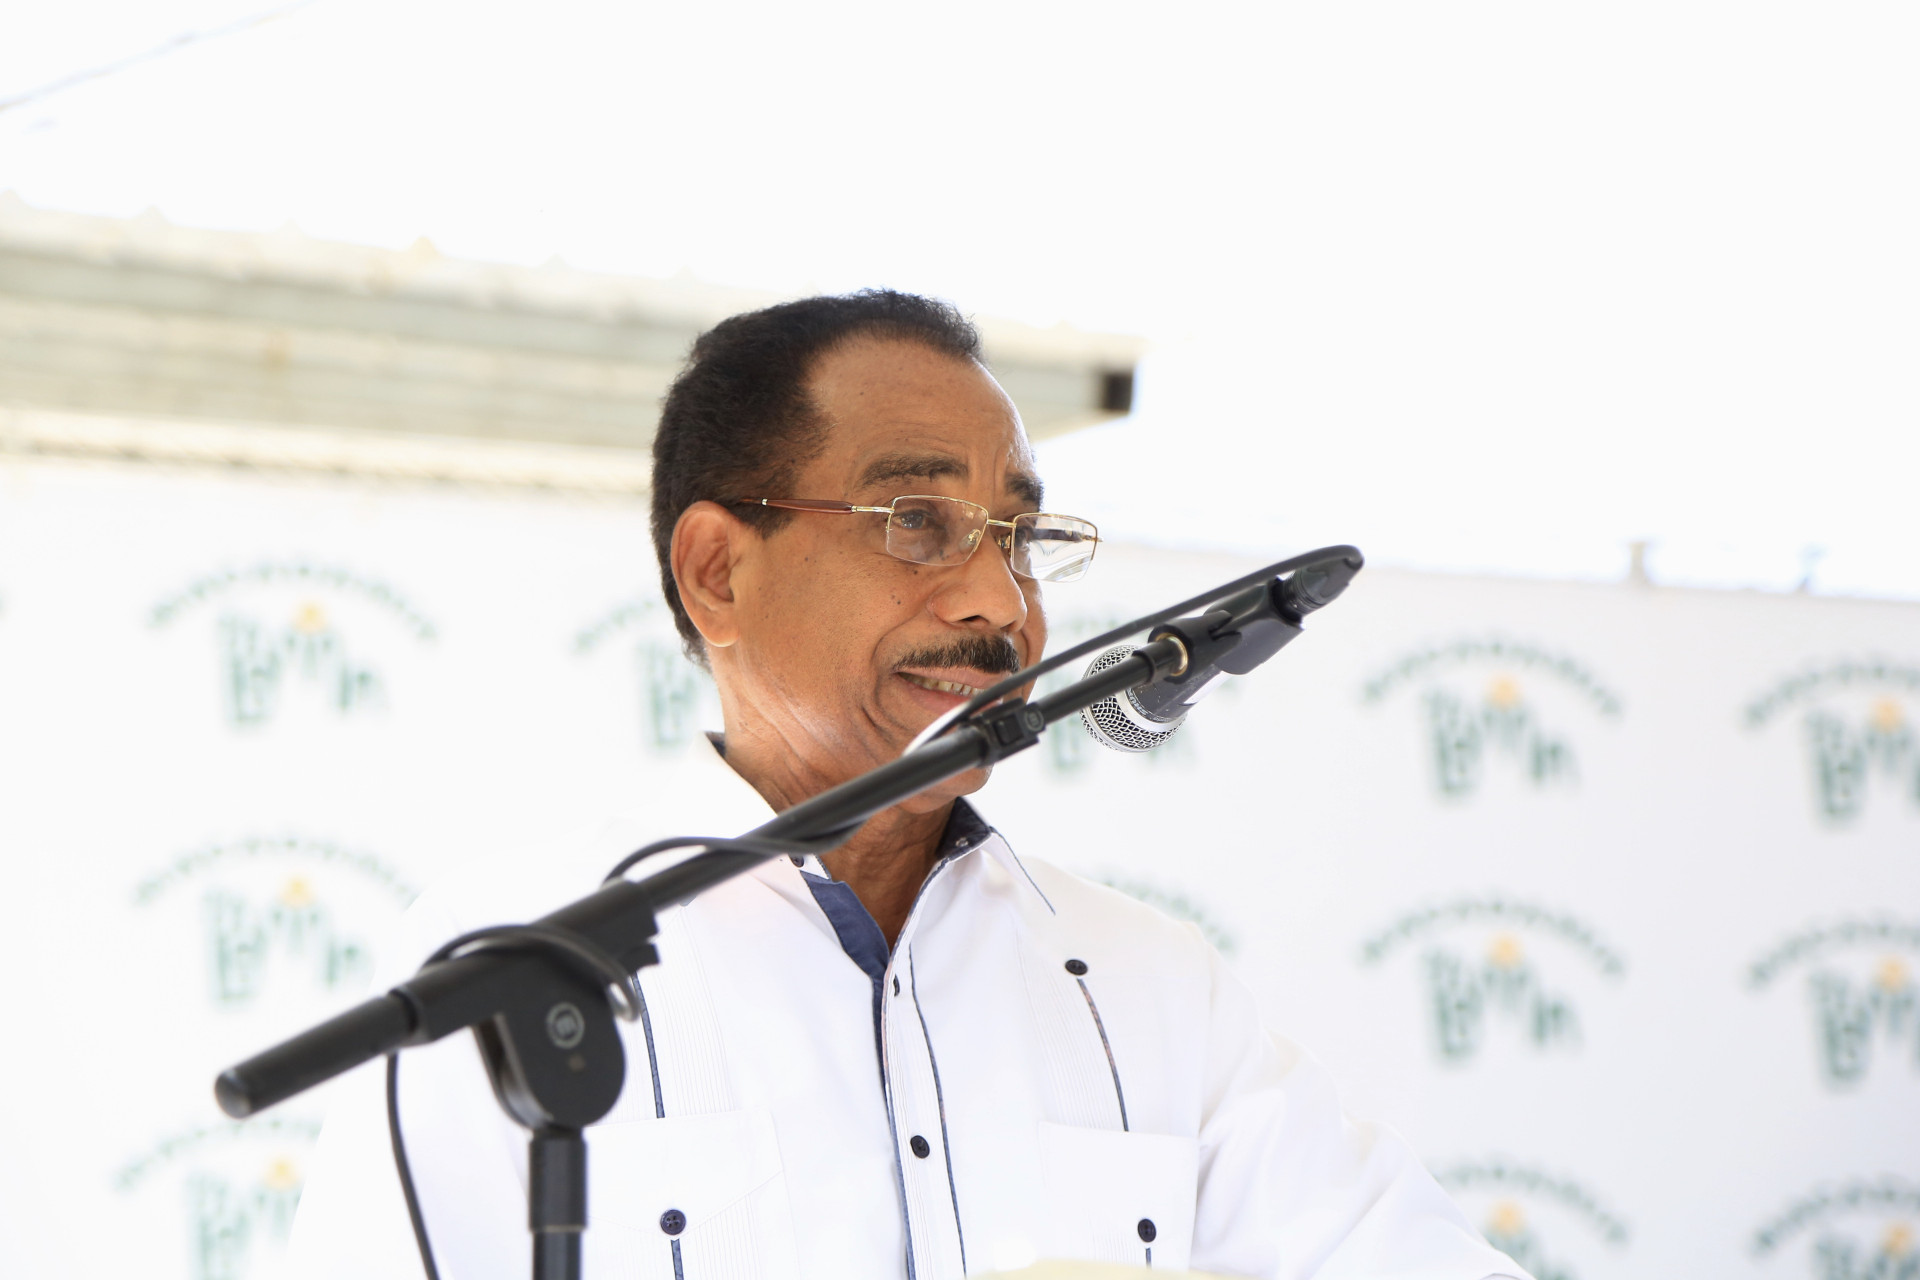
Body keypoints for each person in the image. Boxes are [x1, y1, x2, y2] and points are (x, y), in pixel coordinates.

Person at [287, 290, 1525, 1280]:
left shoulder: (1146, 983)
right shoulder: (517, 958)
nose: (998, 600)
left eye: (1019, 537)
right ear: (717, 572)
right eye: (917, 521)